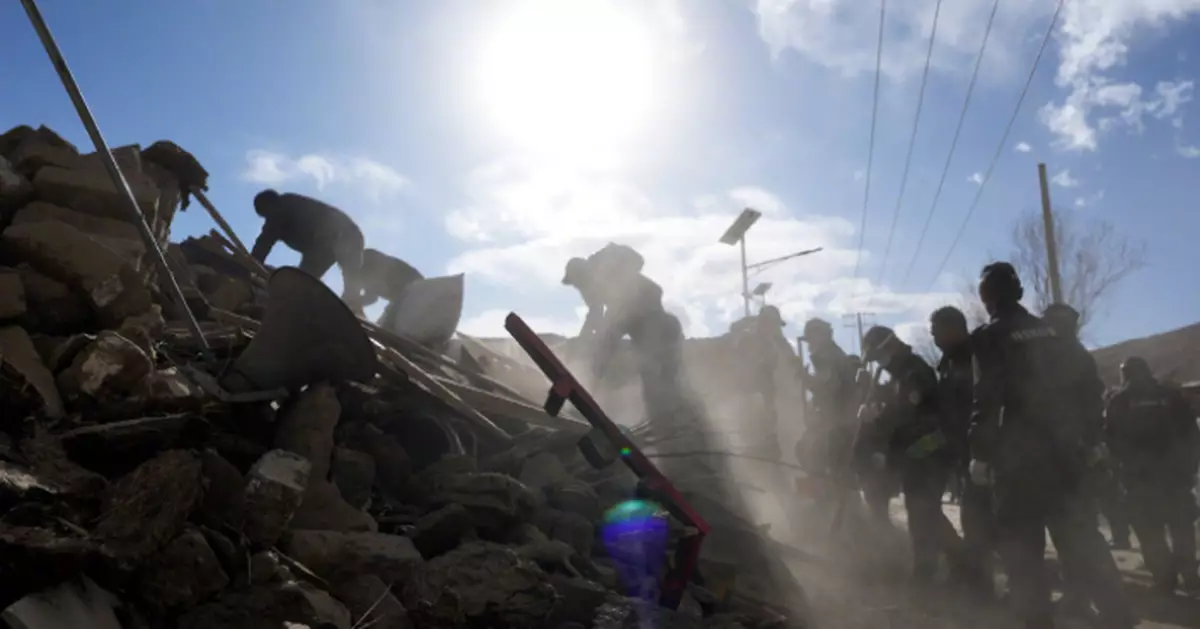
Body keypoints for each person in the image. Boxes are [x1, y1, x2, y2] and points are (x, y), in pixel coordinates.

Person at [968, 262, 1134, 629]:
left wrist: (979, 454)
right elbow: (1090, 395)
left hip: (1018, 463)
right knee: (1081, 539)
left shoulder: (989, 336)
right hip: (1065, 456)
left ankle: (1038, 622)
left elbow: (987, 398)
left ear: (986, 296)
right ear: (1021, 293)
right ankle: (1118, 616)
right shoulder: (1057, 336)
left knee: (1023, 551)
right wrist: (1089, 440)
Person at [860, 325, 965, 583]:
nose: (879, 365)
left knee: (923, 513)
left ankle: (938, 571)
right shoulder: (899, 373)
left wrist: (879, 420)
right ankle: (951, 566)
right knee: (923, 512)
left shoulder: (914, 371)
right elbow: (898, 412)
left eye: (878, 358)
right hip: (916, 452)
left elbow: (908, 416)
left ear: (889, 347)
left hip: (929, 449)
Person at [560, 247, 690, 429]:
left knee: (657, 378)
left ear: (580, 275)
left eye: (576, 283)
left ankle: (671, 425)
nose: (578, 288)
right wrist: (585, 343)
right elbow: (595, 317)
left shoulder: (603, 273)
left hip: (655, 326)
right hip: (654, 326)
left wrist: (591, 346)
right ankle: (668, 423)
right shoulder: (599, 285)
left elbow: (600, 320)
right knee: (656, 379)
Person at [1105, 356, 1200, 593]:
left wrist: (1120, 469)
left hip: (1140, 481)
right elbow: (1192, 433)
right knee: (1181, 528)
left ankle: (1164, 579)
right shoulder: (1171, 396)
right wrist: (1190, 467)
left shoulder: (1120, 400)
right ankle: (1191, 577)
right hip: (1175, 477)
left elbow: (1111, 439)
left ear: (1125, 374)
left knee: (1150, 532)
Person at [931, 305, 996, 599]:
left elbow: (983, 405)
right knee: (974, 523)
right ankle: (978, 583)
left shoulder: (976, 356)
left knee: (985, 525)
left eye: (937, 332)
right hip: (963, 453)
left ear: (953, 329)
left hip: (985, 454)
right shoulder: (947, 362)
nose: (934, 338)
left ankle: (984, 589)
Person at [250, 190, 366, 311]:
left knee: (301, 283)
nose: (266, 219)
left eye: (265, 215)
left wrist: (250, 265)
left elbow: (264, 242)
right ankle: (350, 312)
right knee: (351, 288)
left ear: (268, 206)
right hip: (353, 234)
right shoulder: (290, 203)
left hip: (331, 237)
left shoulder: (281, 206)